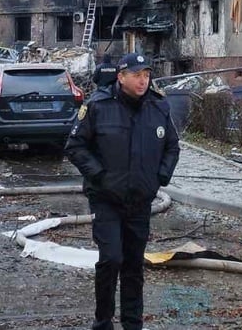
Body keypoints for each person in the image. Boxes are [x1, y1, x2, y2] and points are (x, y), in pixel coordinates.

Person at [66, 52, 180, 330]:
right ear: (121, 77)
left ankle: (132, 323)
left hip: (140, 199)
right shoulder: (98, 106)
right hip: (106, 198)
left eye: (146, 75)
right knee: (111, 259)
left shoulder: (158, 107)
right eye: (137, 75)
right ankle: (103, 321)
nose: (143, 81)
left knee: (133, 264)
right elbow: (75, 146)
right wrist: (99, 175)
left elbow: (172, 147)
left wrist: (159, 178)